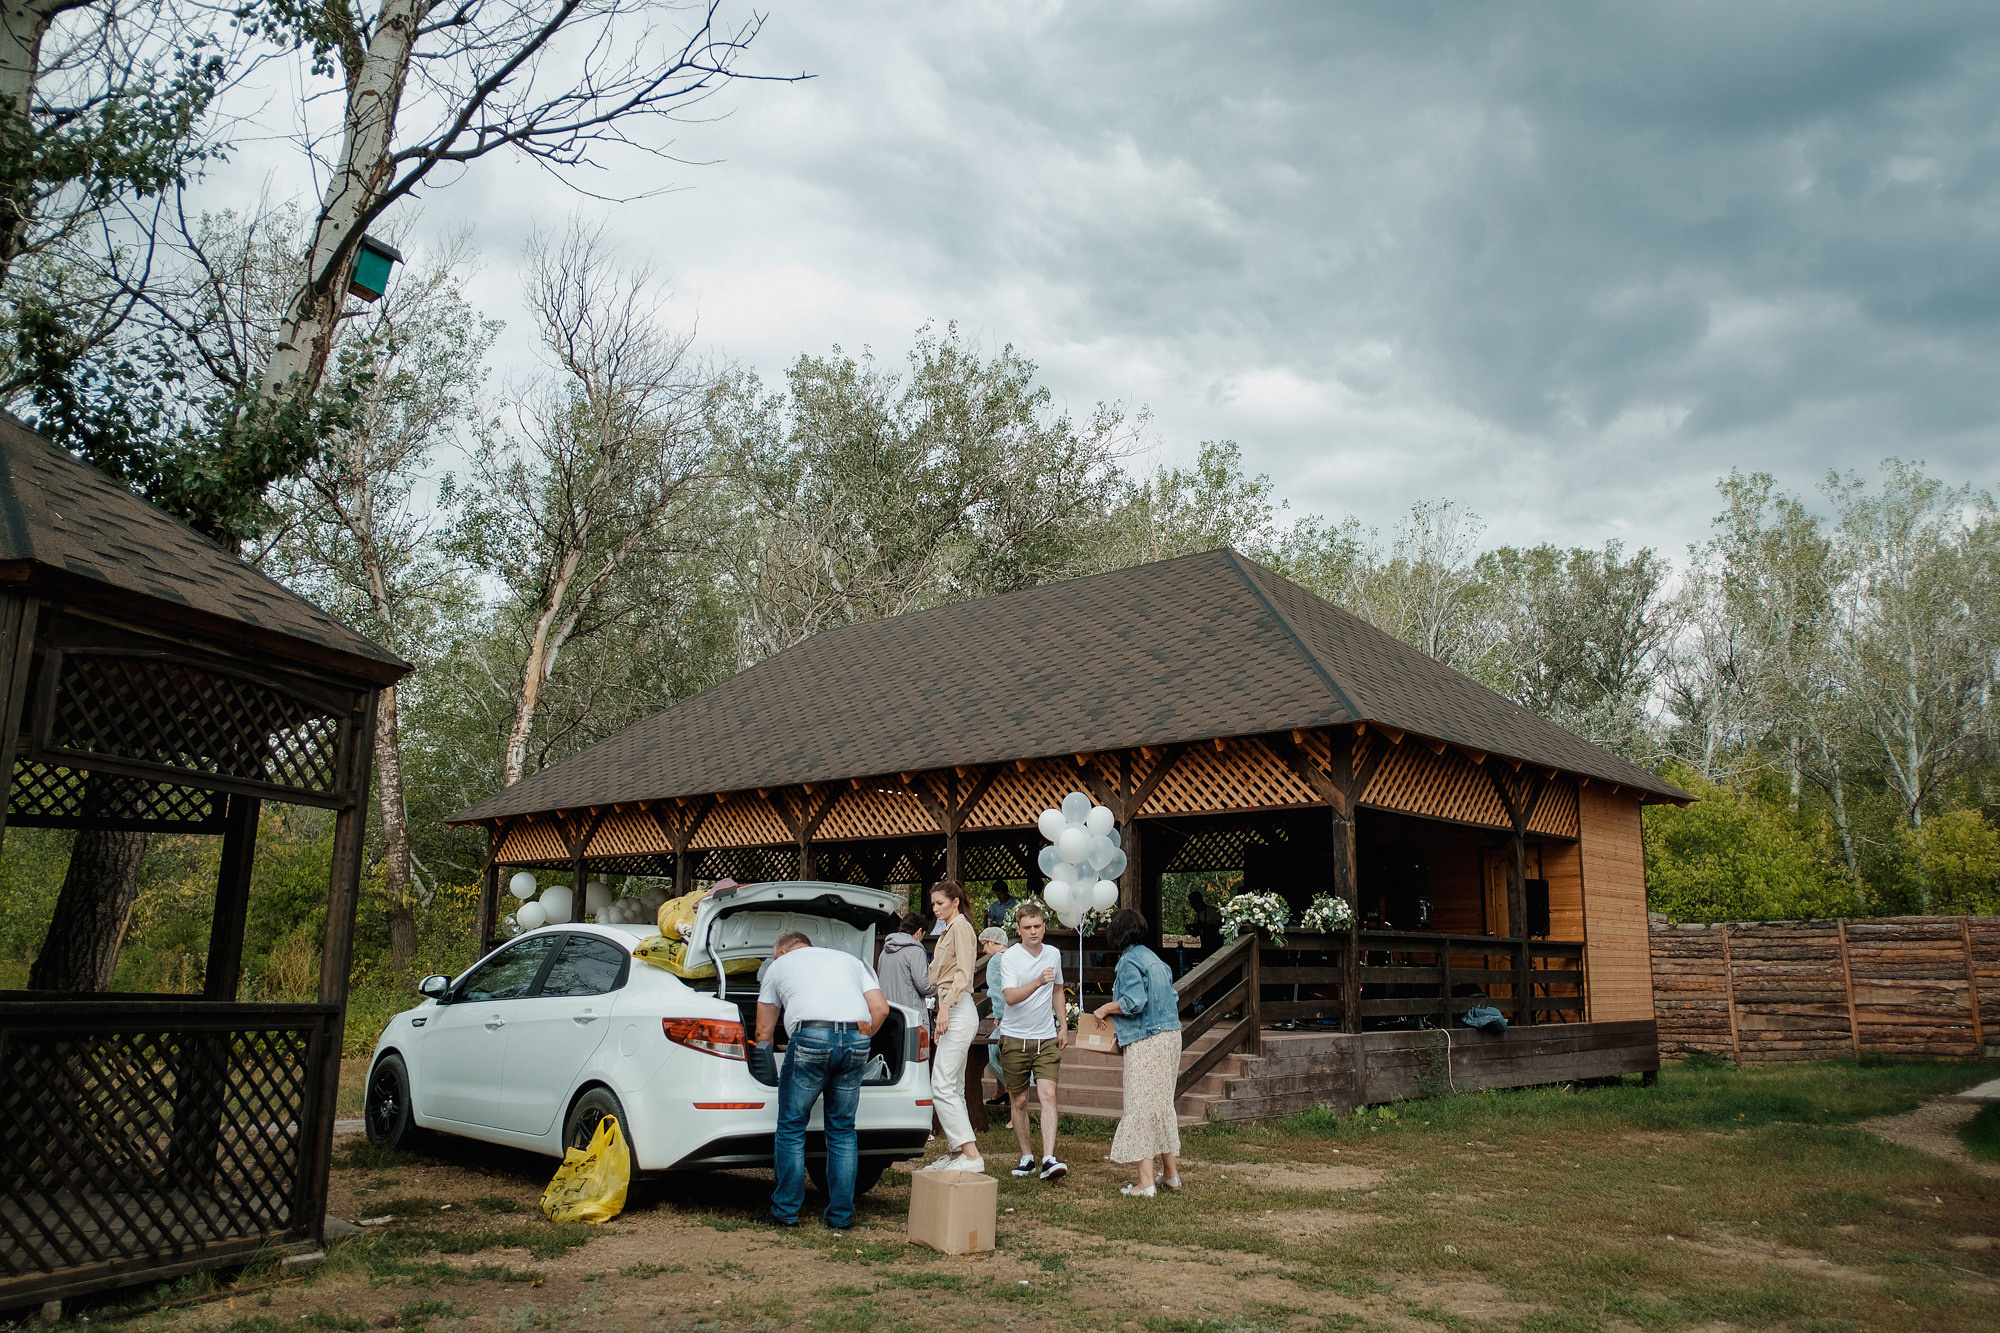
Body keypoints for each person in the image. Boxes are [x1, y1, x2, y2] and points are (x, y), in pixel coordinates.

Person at [754, 930, 890, 1231]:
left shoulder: (778, 966)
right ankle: (841, 1217)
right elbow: (881, 1009)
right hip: (857, 1038)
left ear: (783, 952)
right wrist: (859, 1041)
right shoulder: (851, 960)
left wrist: (762, 1069)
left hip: (810, 1036)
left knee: (791, 1127)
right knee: (842, 1130)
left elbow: (763, 1033)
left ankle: (785, 1212)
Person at [1092, 908, 1183, 1198]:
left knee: (1141, 1106)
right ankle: (1171, 1175)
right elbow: (1172, 995)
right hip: (1171, 1035)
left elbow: (1134, 1002)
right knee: (1161, 1105)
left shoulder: (1129, 961)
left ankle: (1145, 1183)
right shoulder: (1155, 959)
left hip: (1148, 1040)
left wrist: (1106, 1007)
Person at [996, 901, 1069, 1180]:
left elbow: (1058, 989)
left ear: (1044, 927)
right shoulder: (1010, 957)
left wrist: (1062, 1026)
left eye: (1037, 926)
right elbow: (1010, 997)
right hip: (1015, 1038)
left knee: (1049, 1094)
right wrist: (1038, 981)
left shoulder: (1053, 953)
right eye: (1027, 927)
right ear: (1019, 929)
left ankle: (1049, 1157)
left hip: (1046, 1038)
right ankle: (1026, 1156)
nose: (1033, 931)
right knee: (1020, 1100)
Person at [923, 880, 985, 1172]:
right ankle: (956, 1153)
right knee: (953, 1085)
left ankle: (971, 1155)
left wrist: (945, 1007)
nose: (935, 909)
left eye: (940, 903)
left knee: (942, 1084)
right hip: (949, 1006)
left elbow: (964, 972)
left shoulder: (960, 927)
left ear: (955, 902)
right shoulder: (948, 928)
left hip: (958, 1006)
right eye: (933, 904)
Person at [978, 926, 1011, 1120]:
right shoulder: (1013, 956)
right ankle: (1002, 1091)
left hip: (1007, 1016)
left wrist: (998, 1015)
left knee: (993, 1055)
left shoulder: (995, 961)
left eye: (984, 944)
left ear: (992, 942)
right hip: (1019, 1015)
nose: (983, 950)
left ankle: (1012, 1091)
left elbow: (997, 992)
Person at [877, 913, 934, 1019]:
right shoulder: (916, 951)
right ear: (919, 932)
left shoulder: (885, 950)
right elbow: (924, 986)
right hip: (909, 1014)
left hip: (887, 1012)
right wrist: (938, 986)